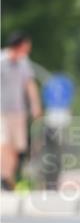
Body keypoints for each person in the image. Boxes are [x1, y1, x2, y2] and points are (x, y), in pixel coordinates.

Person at [1, 32, 42, 190]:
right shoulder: (2, 61)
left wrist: (35, 106)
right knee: (4, 143)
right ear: (17, 46)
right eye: (26, 47)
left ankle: (7, 176)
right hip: (2, 111)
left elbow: (29, 85)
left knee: (17, 147)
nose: (27, 50)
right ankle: (4, 176)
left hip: (18, 111)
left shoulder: (24, 63)